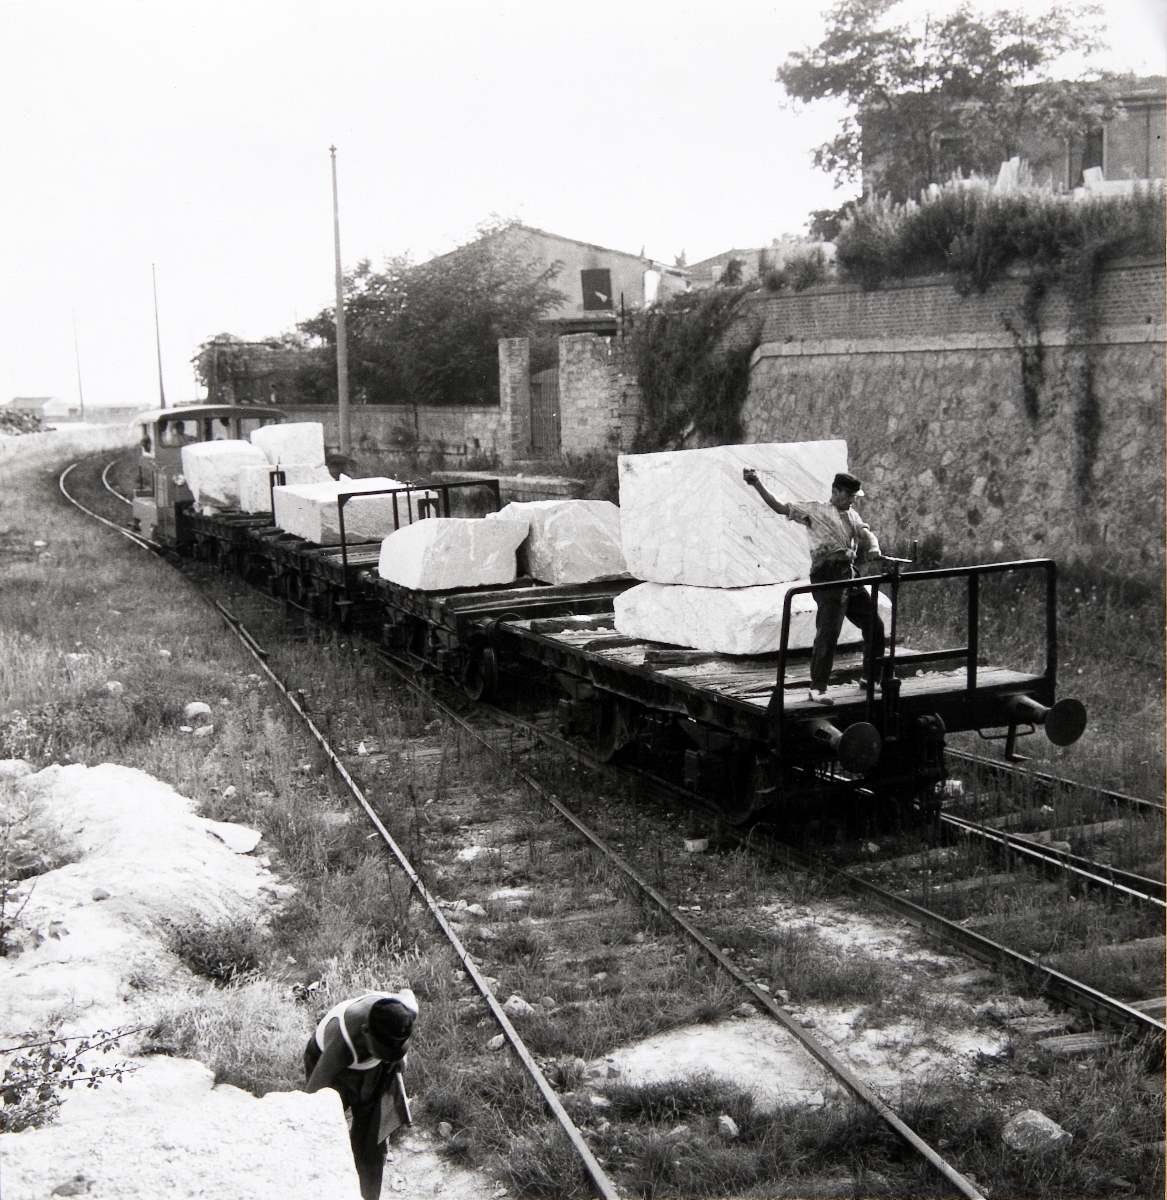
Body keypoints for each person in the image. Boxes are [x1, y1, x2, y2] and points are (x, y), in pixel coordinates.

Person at [742, 468, 886, 704]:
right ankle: (817, 687)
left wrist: (873, 547)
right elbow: (779, 507)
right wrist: (756, 483)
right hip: (827, 574)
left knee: (875, 626)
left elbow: (866, 533)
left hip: (848, 573)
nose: (851, 500)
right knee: (829, 631)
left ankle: (870, 678)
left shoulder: (852, 516)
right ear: (835, 491)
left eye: (853, 497)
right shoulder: (815, 510)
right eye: (848, 495)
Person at [304, 989, 419, 1199]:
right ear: (365, 1031)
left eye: (393, 1054)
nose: (387, 1058)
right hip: (336, 1075)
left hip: (373, 1072)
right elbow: (311, 1101)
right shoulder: (340, 1048)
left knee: (372, 1146)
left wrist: (398, 1057)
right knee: (323, 1141)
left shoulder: (404, 1013)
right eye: (382, 1054)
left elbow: (408, 993)